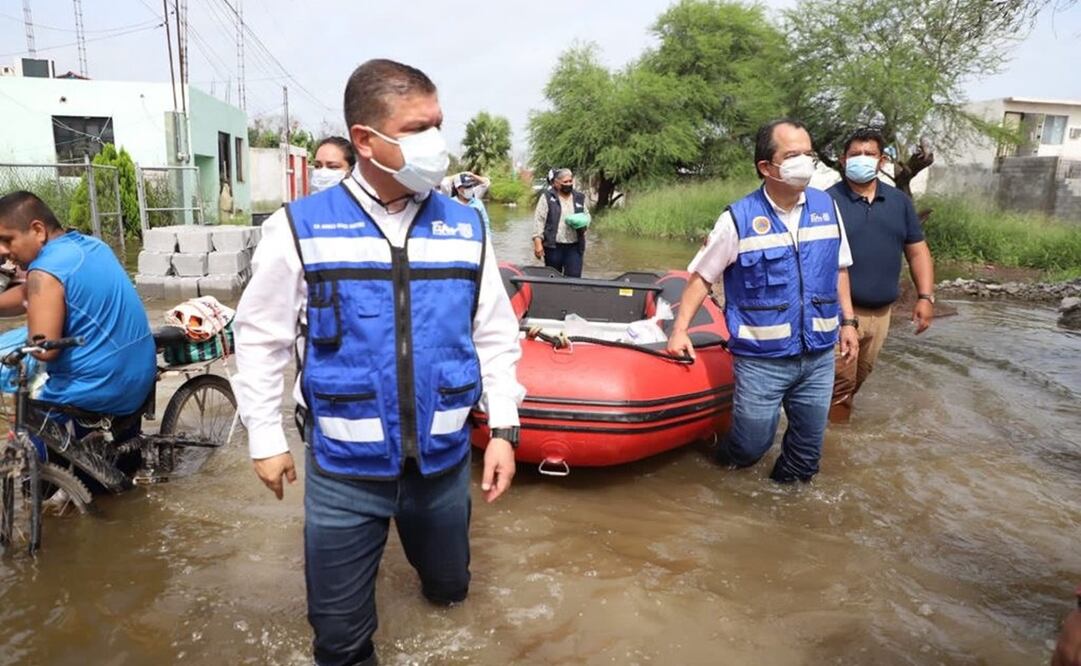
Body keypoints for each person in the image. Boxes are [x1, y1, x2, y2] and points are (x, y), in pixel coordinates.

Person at [231, 58, 524, 666]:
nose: (436, 141)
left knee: (450, 592)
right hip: (344, 472)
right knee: (338, 642)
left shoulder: (467, 228)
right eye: (419, 128)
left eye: (438, 123)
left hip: (442, 466)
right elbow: (261, 337)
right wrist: (265, 437)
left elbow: (494, 335)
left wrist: (502, 431)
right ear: (366, 140)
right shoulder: (299, 228)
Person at [666, 119, 859, 484]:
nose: (804, 162)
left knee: (805, 456)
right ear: (766, 168)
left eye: (808, 154)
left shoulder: (828, 208)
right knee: (750, 447)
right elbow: (701, 278)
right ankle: (718, 470)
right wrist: (680, 331)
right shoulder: (737, 219)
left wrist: (848, 322)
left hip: (817, 357)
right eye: (792, 155)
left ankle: (784, 522)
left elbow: (839, 269)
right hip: (761, 360)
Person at [0, 191, 155, 415]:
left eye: (7, 239)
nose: (2, 251)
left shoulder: (44, 271)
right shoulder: (92, 246)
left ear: (37, 230)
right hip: (139, 375)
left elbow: (43, 350)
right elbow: (28, 295)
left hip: (100, 388)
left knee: (26, 415)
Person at [826, 127, 935, 423]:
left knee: (858, 381)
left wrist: (925, 296)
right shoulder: (825, 202)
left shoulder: (899, 203)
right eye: (855, 154)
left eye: (869, 154)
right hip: (838, 314)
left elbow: (917, 250)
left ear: (882, 160)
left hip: (882, 315)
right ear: (842, 159)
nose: (862, 159)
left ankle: (832, 428)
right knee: (839, 386)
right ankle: (832, 449)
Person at [532, 168, 588, 278]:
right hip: (553, 247)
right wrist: (538, 243)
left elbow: (586, 215)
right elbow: (539, 220)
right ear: (556, 183)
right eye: (565, 182)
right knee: (553, 279)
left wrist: (583, 223)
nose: (568, 184)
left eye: (570, 181)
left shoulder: (579, 198)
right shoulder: (547, 198)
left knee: (574, 280)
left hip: (574, 246)